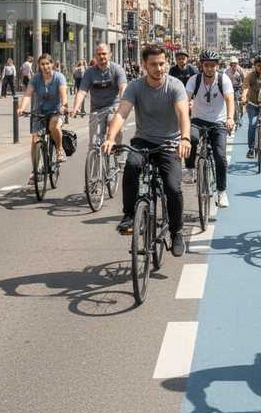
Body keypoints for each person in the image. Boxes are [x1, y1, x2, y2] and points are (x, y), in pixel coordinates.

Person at [103, 43, 191, 257]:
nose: (159, 68)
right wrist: (110, 138)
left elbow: (182, 114)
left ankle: (176, 232)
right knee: (132, 165)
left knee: (173, 187)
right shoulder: (135, 86)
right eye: (153, 65)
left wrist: (185, 138)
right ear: (144, 66)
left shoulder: (175, 86)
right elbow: (122, 113)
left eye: (162, 64)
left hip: (170, 143)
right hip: (143, 140)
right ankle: (129, 215)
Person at [187, 50, 235, 208]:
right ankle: (190, 169)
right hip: (198, 120)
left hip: (218, 121)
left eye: (212, 65)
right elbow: (185, 97)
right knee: (191, 138)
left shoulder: (223, 79)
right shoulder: (194, 80)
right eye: (206, 65)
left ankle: (221, 192)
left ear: (217, 66)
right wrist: (185, 106)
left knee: (220, 157)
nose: (209, 68)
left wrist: (229, 118)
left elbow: (229, 99)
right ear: (202, 65)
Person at [18, 53, 69, 180]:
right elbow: (28, 94)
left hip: (56, 111)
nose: (45, 67)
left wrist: (64, 105)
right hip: (39, 112)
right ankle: (35, 170)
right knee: (35, 140)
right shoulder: (35, 79)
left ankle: (59, 150)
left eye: (47, 63)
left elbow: (63, 94)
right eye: (42, 64)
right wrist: (22, 108)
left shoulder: (59, 77)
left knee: (54, 126)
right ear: (39, 66)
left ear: (52, 64)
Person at [70, 43, 127, 150]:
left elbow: (122, 87)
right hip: (96, 109)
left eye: (104, 53)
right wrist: (76, 107)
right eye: (99, 54)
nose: (101, 56)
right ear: (95, 56)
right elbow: (82, 91)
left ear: (110, 54)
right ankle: (95, 163)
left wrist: (124, 104)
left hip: (113, 107)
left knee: (115, 125)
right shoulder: (89, 72)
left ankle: (118, 150)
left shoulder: (117, 69)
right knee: (94, 144)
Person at [242, 55, 261, 159]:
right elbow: (245, 87)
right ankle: (251, 148)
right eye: (259, 65)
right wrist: (243, 98)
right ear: (255, 66)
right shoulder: (250, 75)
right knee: (253, 123)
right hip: (252, 104)